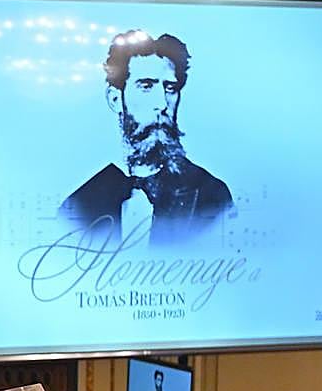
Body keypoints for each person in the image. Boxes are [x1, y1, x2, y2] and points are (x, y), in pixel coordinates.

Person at [58, 30, 234, 247]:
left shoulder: (211, 196)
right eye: (146, 86)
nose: (161, 103)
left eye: (170, 88)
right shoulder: (80, 204)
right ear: (115, 99)